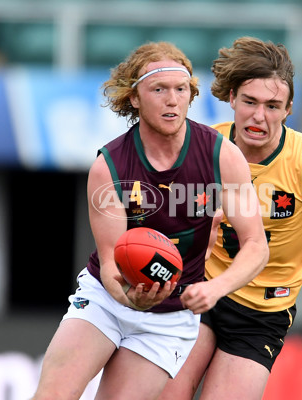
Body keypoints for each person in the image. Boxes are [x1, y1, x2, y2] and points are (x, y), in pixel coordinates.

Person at [31, 41, 269, 400]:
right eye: (159, 90)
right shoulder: (109, 166)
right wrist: (127, 296)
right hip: (106, 301)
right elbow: (111, 261)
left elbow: (256, 246)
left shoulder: (222, 155)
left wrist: (214, 288)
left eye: (181, 90)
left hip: (170, 319)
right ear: (135, 98)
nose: (172, 99)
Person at [159, 37, 302, 400]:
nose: (259, 117)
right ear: (231, 98)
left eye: (273, 106)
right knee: (165, 394)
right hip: (202, 292)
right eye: (250, 102)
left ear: (289, 108)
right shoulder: (204, 149)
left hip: (262, 314)